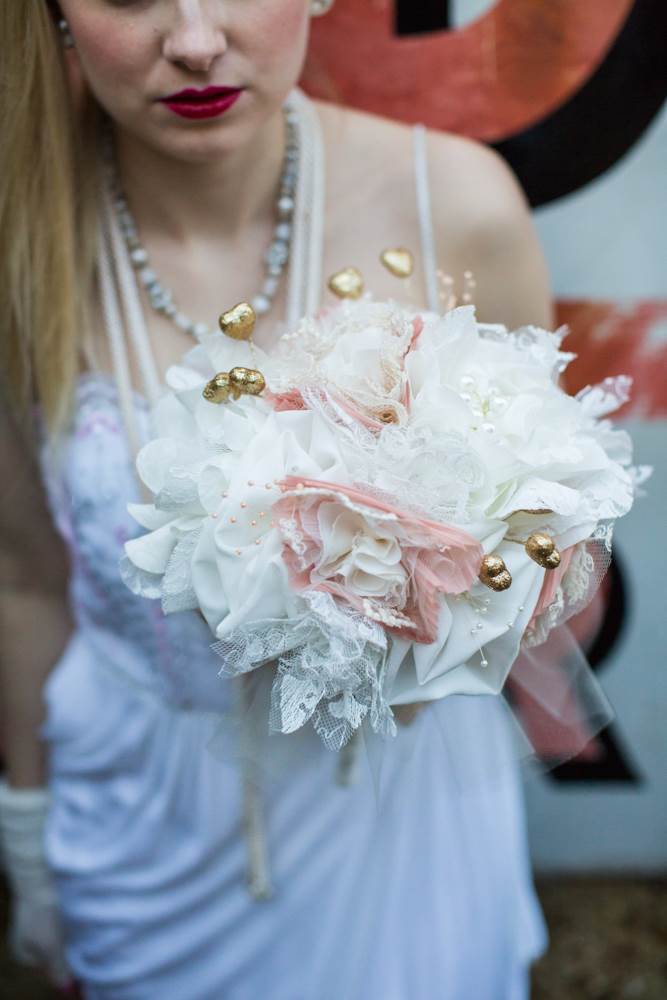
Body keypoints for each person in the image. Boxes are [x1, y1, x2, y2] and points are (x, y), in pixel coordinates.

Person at [0, 2, 554, 997]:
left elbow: (544, 534)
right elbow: (26, 580)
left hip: (399, 808)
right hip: (142, 815)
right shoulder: (19, 239)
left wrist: (441, 595)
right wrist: (28, 833)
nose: (197, 40)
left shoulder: (458, 206)